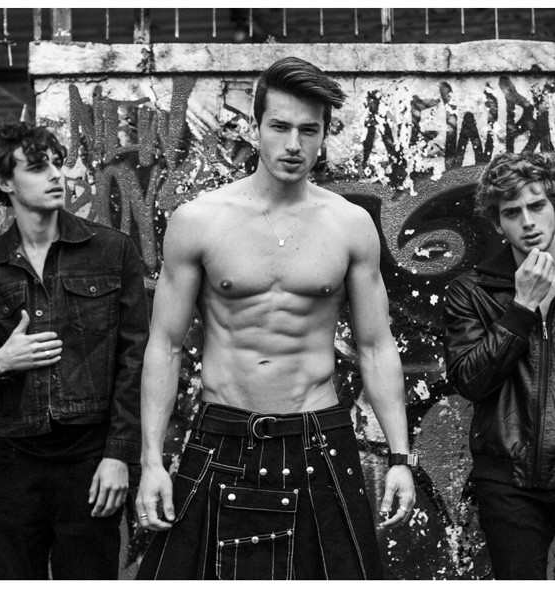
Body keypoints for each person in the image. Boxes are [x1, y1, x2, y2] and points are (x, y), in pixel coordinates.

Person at [134, 56, 416, 580]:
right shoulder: (199, 221)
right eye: (280, 127)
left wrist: (400, 457)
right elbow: (165, 345)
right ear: (255, 126)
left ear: (325, 135)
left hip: (319, 437)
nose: (293, 144)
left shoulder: (350, 225)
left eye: (309, 131)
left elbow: (376, 346)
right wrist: (151, 460)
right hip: (222, 435)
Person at [0, 121, 149, 579]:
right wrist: (0, 361)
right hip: (15, 464)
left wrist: (118, 455)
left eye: (57, 163)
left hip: (89, 459)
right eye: (37, 167)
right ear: (4, 182)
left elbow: (135, 359)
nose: (56, 174)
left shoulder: (111, 251)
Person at [443, 151, 555, 580]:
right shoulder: (470, 292)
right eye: (512, 212)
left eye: (537, 205)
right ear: (497, 223)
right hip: (508, 483)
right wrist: (522, 307)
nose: (528, 222)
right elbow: (470, 381)